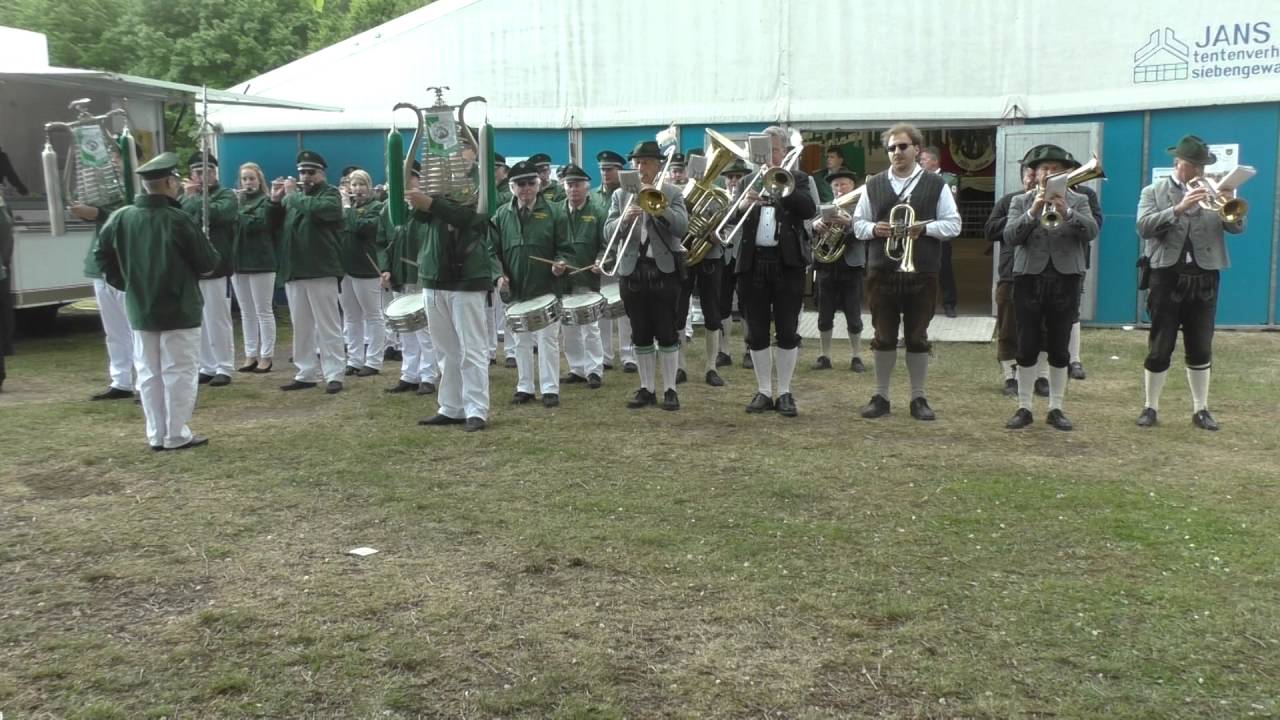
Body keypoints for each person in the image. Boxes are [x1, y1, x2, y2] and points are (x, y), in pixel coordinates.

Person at [94, 152, 220, 450]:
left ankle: (156, 433)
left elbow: (102, 255)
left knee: (148, 372)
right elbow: (208, 263)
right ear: (167, 182)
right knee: (179, 370)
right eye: (175, 180)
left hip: (141, 306)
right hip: (179, 307)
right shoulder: (178, 219)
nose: (178, 185)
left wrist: (126, 282)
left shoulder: (122, 216)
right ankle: (176, 433)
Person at [852, 123, 962, 421]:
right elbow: (857, 224)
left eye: (902, 146)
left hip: (922, 272)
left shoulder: (935, 185)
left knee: (917, 336)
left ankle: (918, 398)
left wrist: (924, 227)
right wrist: (875, 228)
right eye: (891, 148)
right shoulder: (873, 184)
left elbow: (953, 224)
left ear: (917, 149)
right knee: (883, 336)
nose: (896, 152)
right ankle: (881, 396)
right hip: (881, 273)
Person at [1134, 134, 1244, 431]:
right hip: (1165, 276)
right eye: (1192, 164)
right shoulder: (1153, 191)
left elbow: (1237, 227)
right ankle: (1150, 406)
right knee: (1160, 345)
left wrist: (1229, 199)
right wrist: (1179, 208)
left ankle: (1201, 409)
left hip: (1205, 275)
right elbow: (1144, 227)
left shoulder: (1214, 192)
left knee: (1200, 345)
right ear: (1177, 162)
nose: (1198, 171)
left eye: (1201, 166)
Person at [1002, 145, 1099, 431]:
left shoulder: (1080, 200)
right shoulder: (1020, 201)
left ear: (1067, 173)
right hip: (1028, 277)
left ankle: (1056, 407)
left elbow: (1092, 231)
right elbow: (1009, 236)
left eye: (1056, 169)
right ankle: (1024, 407)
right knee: (1027, 343)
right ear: (1036, 173)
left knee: (1059, 346)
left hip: (1066, 277)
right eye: (1045, 169)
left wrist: (1066, 211)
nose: (1049, 173)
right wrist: (1033, 211)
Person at [723, 126, 817, 417]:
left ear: (784, 151)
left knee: (788, 329)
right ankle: (764, 390)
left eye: (774, 149)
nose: (768, 155)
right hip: (752, 264)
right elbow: (730, 218)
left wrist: (782, 190)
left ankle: (785, 391)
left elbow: (809, 209)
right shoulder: (747, 181)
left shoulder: (799, 178)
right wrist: (742, 206)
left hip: (787, 264)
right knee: (757, 330)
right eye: (762, 150)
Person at [411, 162, 502, 433]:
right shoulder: (436, 179)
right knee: (445, 349)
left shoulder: (481, 180)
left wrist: (432, 203)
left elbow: (474, 218)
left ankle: (476, 409)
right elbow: (418, 216)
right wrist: (422, 196)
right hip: (434, 276)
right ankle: (451, 406)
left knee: (471, 348)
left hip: (467, 279)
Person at [602, 140, 689, 410]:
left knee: (666, 331)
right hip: (632, 270)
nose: (640, 167)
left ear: (657, 165)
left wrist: (659, 208)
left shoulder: (672, 191)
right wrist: (624, 219)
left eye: (646, 162)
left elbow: (682, 227)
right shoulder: (620, 195)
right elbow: (607, 233)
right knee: (639, 331)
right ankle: (646, 388)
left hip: (663, 270)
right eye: (637, 162)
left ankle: (670, 389)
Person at [491, 160, 570, 407]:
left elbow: (565, 247)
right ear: (512, 187)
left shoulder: (556, 211)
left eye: (530, 183)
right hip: (515, 288)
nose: (526, 188)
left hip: (546, 287)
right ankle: (524, 387)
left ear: (538, 184)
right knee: (520, 339)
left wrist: (560, 263)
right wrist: (499, 275)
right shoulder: (502, 214)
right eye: (520, 184)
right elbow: (492, 251)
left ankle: (550, 389)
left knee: (547, 339)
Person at [272, 150, 347, 394]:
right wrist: (274, 201)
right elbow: (271, 225)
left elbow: (319, 211)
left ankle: (334, 373)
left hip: (320, 268)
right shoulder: (294, 199)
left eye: (310, 172)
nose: (305, 176)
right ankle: (305, 372)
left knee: (328, 325)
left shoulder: (330, 194)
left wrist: (292, 195)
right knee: (301, 325)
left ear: (322, 173)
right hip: (295, 269)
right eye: (302, 172)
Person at [71, 154, 133, 401]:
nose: (113, 162)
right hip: (102, 264)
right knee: (114, 329)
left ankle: (143, 381)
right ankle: (121, 380)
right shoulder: (104, 185)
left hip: (125, 265)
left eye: (119, 156)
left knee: (135, 327)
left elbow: (128, 214)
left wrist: (97, 212)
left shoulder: (135, 185)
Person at [180, 151, 237, 387]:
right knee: (199, 320)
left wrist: (193, 199)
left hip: (216, 266)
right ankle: (207, 365)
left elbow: (216, 213)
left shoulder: (226, 195)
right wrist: (189, 198)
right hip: (192, 267)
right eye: (199, 172)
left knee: (218, 318)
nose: (204, 176)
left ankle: (224, 366)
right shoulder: (184, 198)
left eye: (209, 171)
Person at [382, 166, 441, 395]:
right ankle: (409, 374)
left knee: (424, 329)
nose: (406, 184)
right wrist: (385, 267)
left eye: (411, 178)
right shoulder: (391, 208)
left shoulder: (428, 207)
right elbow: (383, 241)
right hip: (399, 275)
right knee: (405, 327)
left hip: (421, 275)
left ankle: (429, 375)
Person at [985, 162, 1037, 396]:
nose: (1035, 179)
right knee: (1008, 328)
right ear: (1023, 178)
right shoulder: (1008, 201)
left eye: (1041, 174)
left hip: (1042, 272)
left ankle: (1041, 377)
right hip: (1011, 271)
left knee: (1041, 329)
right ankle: (1009, 377)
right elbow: (990, 230)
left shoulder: (1059, 200)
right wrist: (1022, 215)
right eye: (1031, 175)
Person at [810, 168, 866, 372]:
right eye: (836, 185)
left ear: (852, 187)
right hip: (826, 266)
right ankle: (824, 356)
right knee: (824, 313)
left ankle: (856, 356)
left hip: (851, 266)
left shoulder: (861, 209)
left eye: (844, 184)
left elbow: (865, 232)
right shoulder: (823, 207)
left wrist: (849, 224)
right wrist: (816, 225)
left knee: (853, 313)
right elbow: (808, 229)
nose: (840, 189)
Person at [558, 164, 607, 388]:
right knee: (568, 328)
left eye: (577, 185)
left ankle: (595, 370)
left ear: (587, 188)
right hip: (563, 279)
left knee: (590, 327)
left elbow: (605, 245)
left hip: (588, 278)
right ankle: (577, 368)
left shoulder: (597, 212)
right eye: (569, 185)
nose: (573, 189)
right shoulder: (555, 211)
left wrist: (600, 260)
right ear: (564, 187)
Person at [337, 169, 387, 377]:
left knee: (373, 315)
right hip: (346, 267)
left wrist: (347, 208)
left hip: (366, 268)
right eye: (354, 185)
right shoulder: (347, 209)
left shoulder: (376, 208)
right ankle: (355, 359)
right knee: (351, 316)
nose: (357, 189)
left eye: (361, 185)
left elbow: (360, 227)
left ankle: (374, 360)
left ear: (369, 186)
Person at [231, 162, 278, 373]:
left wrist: (237, 213)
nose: (248, 183)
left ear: (259, 181)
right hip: (239, 261)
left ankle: (266, 355)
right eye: (244, 179)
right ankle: (250, 354)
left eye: (251, 178)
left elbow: (258, 223)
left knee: (263, 310)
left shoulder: (266, 202)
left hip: (261, 262)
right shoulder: (236, 203)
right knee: (246, 311)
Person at [594, 149, 635, 372]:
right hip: (601, 258)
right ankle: (604, 355)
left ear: (620, 170)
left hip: (623, 255)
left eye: (609, 169)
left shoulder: (628, 193)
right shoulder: (593, 196)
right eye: (602, 169)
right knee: (603, 308)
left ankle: (629, 355)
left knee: (625, 308)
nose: (605, 173)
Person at [919, 145, 960, 318]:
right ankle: (922, 305)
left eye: (924, 159)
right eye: (920, 160)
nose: (920, 162)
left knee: (944, 270)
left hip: (939, 230)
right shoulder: (916, 179)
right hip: (920, 231)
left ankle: (949, 304)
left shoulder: (948, 179)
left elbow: (951, 205)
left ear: (935, 161)